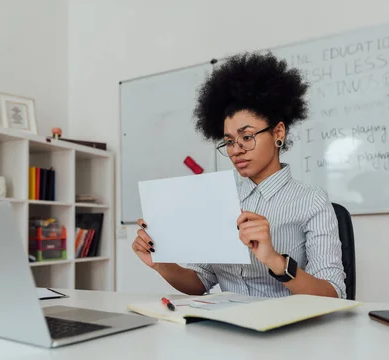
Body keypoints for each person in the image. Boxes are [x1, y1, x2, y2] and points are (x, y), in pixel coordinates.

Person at [132, 52, 346, 298]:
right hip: (227, 326)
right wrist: (161, 263)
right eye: (229, 142)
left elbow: (332, 294)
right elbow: (200, 281)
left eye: (247, 137)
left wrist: (275, 260)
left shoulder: (312, 201)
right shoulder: (217, 198)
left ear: (278, 132)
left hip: (286, 330)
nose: (236, 150)